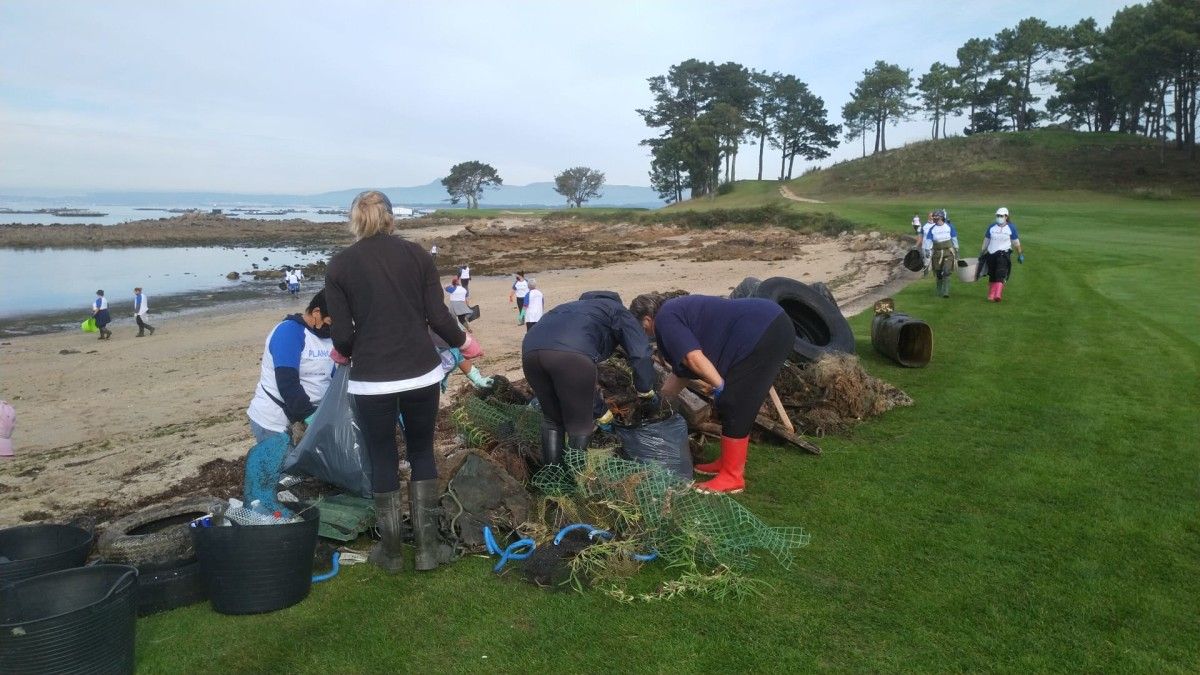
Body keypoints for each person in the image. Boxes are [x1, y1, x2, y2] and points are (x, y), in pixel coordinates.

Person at [325, 190, 481, 574]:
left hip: (371, 380)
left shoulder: (340, 265)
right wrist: (467, 343)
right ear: (391, 219)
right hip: (420, 374)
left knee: (382, 457)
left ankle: (391, 553)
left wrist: (345, 352)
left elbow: (342, 335)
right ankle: (428, 551)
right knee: (421, 451)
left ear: (355, 221)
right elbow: (438, 316)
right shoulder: (417, 256)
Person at [630, 292, 794, 495]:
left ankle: (732, 477)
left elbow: (692, 357)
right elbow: (684, 371)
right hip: (768, 323)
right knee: (731, 401)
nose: (645, 333)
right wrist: (660, 400)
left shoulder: (665, 318)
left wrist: (720, 387)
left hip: (764, 330)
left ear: (647, 319)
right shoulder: (674, 312)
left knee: (734, 402)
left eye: (643, 328)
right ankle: (725, 463)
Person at [522, 290, 657, 466]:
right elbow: (640, 353)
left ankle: (552, 478)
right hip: (571, 356)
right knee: (579, 424)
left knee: (552, 420)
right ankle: (573, 479)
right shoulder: (617, 310)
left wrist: (600, 412)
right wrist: (645, 390)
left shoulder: (569, 307)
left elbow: (580, 385)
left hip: (530, 352)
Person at [246, 290, 335, 445]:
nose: (332, 328)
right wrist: (308, 416)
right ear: (316, 312)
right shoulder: (289, 332)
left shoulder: (329, 338)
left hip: (313, 418)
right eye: (329, 323)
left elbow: (332, 377)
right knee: (281, 467)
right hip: (275, 422)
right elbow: (287, 382)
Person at [980, 207, 1025, 302]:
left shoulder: (1011, 228)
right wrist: (982, 251)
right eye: (997, 216)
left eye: (1001, 216)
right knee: (992, 273)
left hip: (1003, 253)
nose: (999, 217)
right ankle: (991, 294)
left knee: (1000, 272)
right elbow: (986, 240)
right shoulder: (991, 227)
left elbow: (1016, 242)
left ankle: (998, 294)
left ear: (1006, 217)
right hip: (991, 253)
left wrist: (1020, 254)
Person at [923, 210, 959, 298]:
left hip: (948, 252)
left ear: (941, 218)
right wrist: (927, 250)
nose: (934, 219)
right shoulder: (932, 229)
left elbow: (954, 238)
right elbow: (928, 240)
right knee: (938, 273)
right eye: (934, 218)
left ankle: (945, 292)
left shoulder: (949, 227)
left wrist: (957, 249)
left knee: (946, 271)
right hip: (937, 253)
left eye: (936, 217)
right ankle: (939, 290)